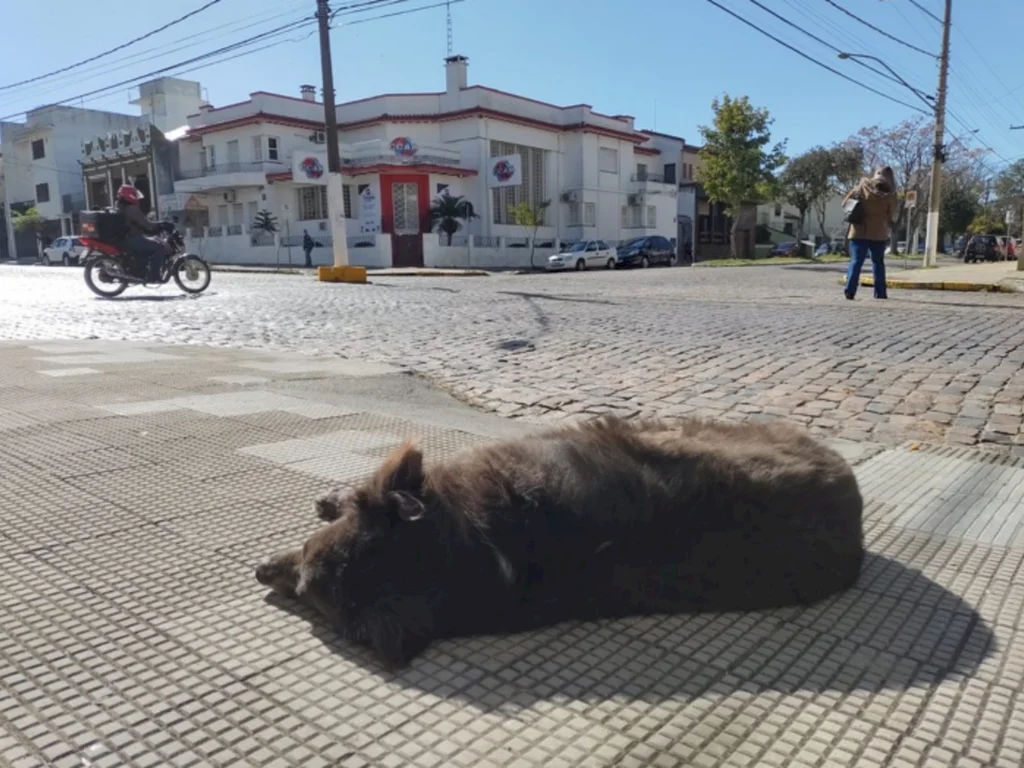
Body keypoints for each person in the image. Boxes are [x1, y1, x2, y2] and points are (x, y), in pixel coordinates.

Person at [842, 166, 898, 300]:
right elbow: (892, 215)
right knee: (878, 262)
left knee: (856, 262)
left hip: (858, 231)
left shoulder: (861, 187)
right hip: (879, 233)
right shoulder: (890, 195)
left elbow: (845, 203)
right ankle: (880, 293)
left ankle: (850, 291)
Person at [116, 184, 167, 283]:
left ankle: (142, 272)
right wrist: (159, 225)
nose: (137, 198)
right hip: (131, 239)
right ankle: (154, 276)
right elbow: (146, 223)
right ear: (129, 195)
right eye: (134, 195)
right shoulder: (131, 209)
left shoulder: (120, 207)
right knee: (159, 247)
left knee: (148, 245)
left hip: (124, 239)